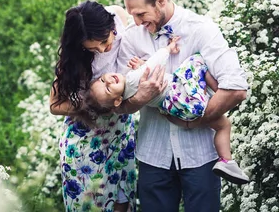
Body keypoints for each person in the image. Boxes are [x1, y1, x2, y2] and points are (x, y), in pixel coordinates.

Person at [113, 0, 249, 212]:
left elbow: (235, 87)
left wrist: (194, 121)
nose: (136, 22)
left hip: (200, 156)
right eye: (132, 14)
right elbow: (120, 102)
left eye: (141, 13)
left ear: (161, 1)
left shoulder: (201, 29)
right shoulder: (132, 38)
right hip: (152, 155)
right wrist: (142, 95)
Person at [81, 36, 250, 185]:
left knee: (222, 125)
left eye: (103, 79)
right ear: (117, 100)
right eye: (108, 89)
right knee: (198, 63)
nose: (108, 81)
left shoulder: (128, 95)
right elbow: (156, 62)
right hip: (183, 94)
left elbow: (142, 76)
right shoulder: (132, 79)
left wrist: (141, 66)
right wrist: (169, 48)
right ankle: (219, 92)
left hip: (178, 110)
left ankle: (225, 159)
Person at [50, 0, 165, 212]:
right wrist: (90, 104)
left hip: (120, 131)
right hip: (86, 140)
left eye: (104, 40)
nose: (104, 49)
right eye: (93, 48)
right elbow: (54, 105)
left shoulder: (119, 16)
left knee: (123, 201)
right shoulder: (74, 58)